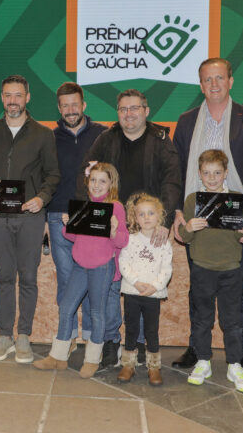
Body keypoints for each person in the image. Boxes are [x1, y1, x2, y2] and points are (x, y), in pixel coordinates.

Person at [172, 58, 243, 383]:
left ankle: (241, 356)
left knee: (238, 291)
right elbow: (176, 171)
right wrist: (178, 212)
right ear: (200, 85)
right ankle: (196, 350)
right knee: (198, 291)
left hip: (237, 222)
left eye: (219, 78)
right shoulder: (187, 121)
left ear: (230, 81)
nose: (213, 84)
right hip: (197, 221)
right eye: (207, 79)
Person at [78, 88, 181, 369]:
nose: (129, 114)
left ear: (146, 111)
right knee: (112, 290)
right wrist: (91, 217)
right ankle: (112, 343)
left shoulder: (161, 141)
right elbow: (86, 177)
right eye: (123, 109)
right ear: (118, 113)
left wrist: (165, 220)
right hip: (110, 229)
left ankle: (146, 345)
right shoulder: (105, 139)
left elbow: (172, 181)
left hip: (147, 229)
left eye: (135, 108)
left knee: (145, 289)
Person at [0, 74, 60, 363]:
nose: (13, 101)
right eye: (8, 95)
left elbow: (53, 174)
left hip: (30, 218)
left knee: (29, 277)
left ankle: (23, 336)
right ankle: (4, 336)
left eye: (18, 95)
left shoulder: (43, 134)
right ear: (2, 98)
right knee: (5, 277)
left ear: (28, 97)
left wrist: (41, 198)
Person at [33, 163, 128, 378]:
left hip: (101, 267)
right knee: (66, 307)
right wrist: (68, 225)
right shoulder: (84, 205)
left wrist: (113, 230)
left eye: (102, 181)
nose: (96, 185)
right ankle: (58, 357)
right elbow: (74, 237)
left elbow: (122, 241)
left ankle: (93, 359)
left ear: (110, 184)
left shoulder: (116, 207)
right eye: (93, 180)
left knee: (96, 311)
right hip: (80, 266)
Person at [178, 149, 243, 393]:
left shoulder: (237, 199)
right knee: (202, 319)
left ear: (226, 173)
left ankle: (234, 364)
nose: (212, 178)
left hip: (231, 268)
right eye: (207, 173)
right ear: (200, 174)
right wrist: (188, 226)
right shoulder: (192, 200)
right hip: (202, 268)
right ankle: (203, 360)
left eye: (217, 173)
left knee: (232, 321)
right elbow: (184, 237)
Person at [47, 82, 107, 347]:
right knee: (66, 277)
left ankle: (92, 337)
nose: (70, 110)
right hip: (59, 214)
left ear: (84, 105)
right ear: (59, 108)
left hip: (94, 214)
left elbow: (112, 176)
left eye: (75, 104)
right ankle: (67, 335)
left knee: (95, 277)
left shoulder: (103, 135)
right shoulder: (49, 138)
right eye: (65, 105)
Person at [117, 193, 173, 386]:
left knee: (151, 330)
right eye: (141, 214)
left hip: (152, 294)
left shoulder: (164, 243)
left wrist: (155, 286)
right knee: (131, 328)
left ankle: (154, 366)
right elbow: (123, 263)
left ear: (159, 216)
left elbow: (167, 269)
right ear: (135, 218)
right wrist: (136, 282)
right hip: (133, 292)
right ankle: (128, 364)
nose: (146, 217)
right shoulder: (131, 240)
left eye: (151, 213)